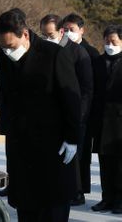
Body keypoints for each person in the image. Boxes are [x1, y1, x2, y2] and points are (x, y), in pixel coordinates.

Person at [0, 9, 81, 222]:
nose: (7, 51)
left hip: (52, 143)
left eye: (11, 46)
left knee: (52, 206)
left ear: (24, 34)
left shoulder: (54, 54)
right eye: (3, 46)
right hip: (21, 144)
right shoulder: (4, 55)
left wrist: (72, 138)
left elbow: (71, 99)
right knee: (26, 206)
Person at [40, 14, 93, 206]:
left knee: (74, 156)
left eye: (50, 34)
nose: (47, 38)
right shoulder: (44, 51)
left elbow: (86, 89)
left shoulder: (78, 52)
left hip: (75, 112)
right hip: (52, 113)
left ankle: (76, 192)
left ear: (61, 31)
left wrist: (80, 114)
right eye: (43, 34)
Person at [62, 13, 100, 202]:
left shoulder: (90, 52)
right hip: (68, 109)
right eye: (66, 30)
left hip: (85, 110)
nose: (69, 33)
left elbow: (91, 87)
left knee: (82, 154)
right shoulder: (62, 49)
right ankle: (72, 189)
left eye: (72, 30)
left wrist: (85, 112)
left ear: (82, 30)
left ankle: (79, 190)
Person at [0, 7, 27, 197]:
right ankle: (12, 183)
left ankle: (23, 184)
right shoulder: (2, 51)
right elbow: (1, 77)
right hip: (9, 106)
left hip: (26, 110)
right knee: (11, 151)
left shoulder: (30, 49)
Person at [91, 25, 122, 214]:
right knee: (104, 162)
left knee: (120, 163)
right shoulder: (97, 61)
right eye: (107, 41)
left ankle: (120, 200)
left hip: (120, 121)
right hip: (102, 119)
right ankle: (107, 198)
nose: (110, 45)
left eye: (114, 42)